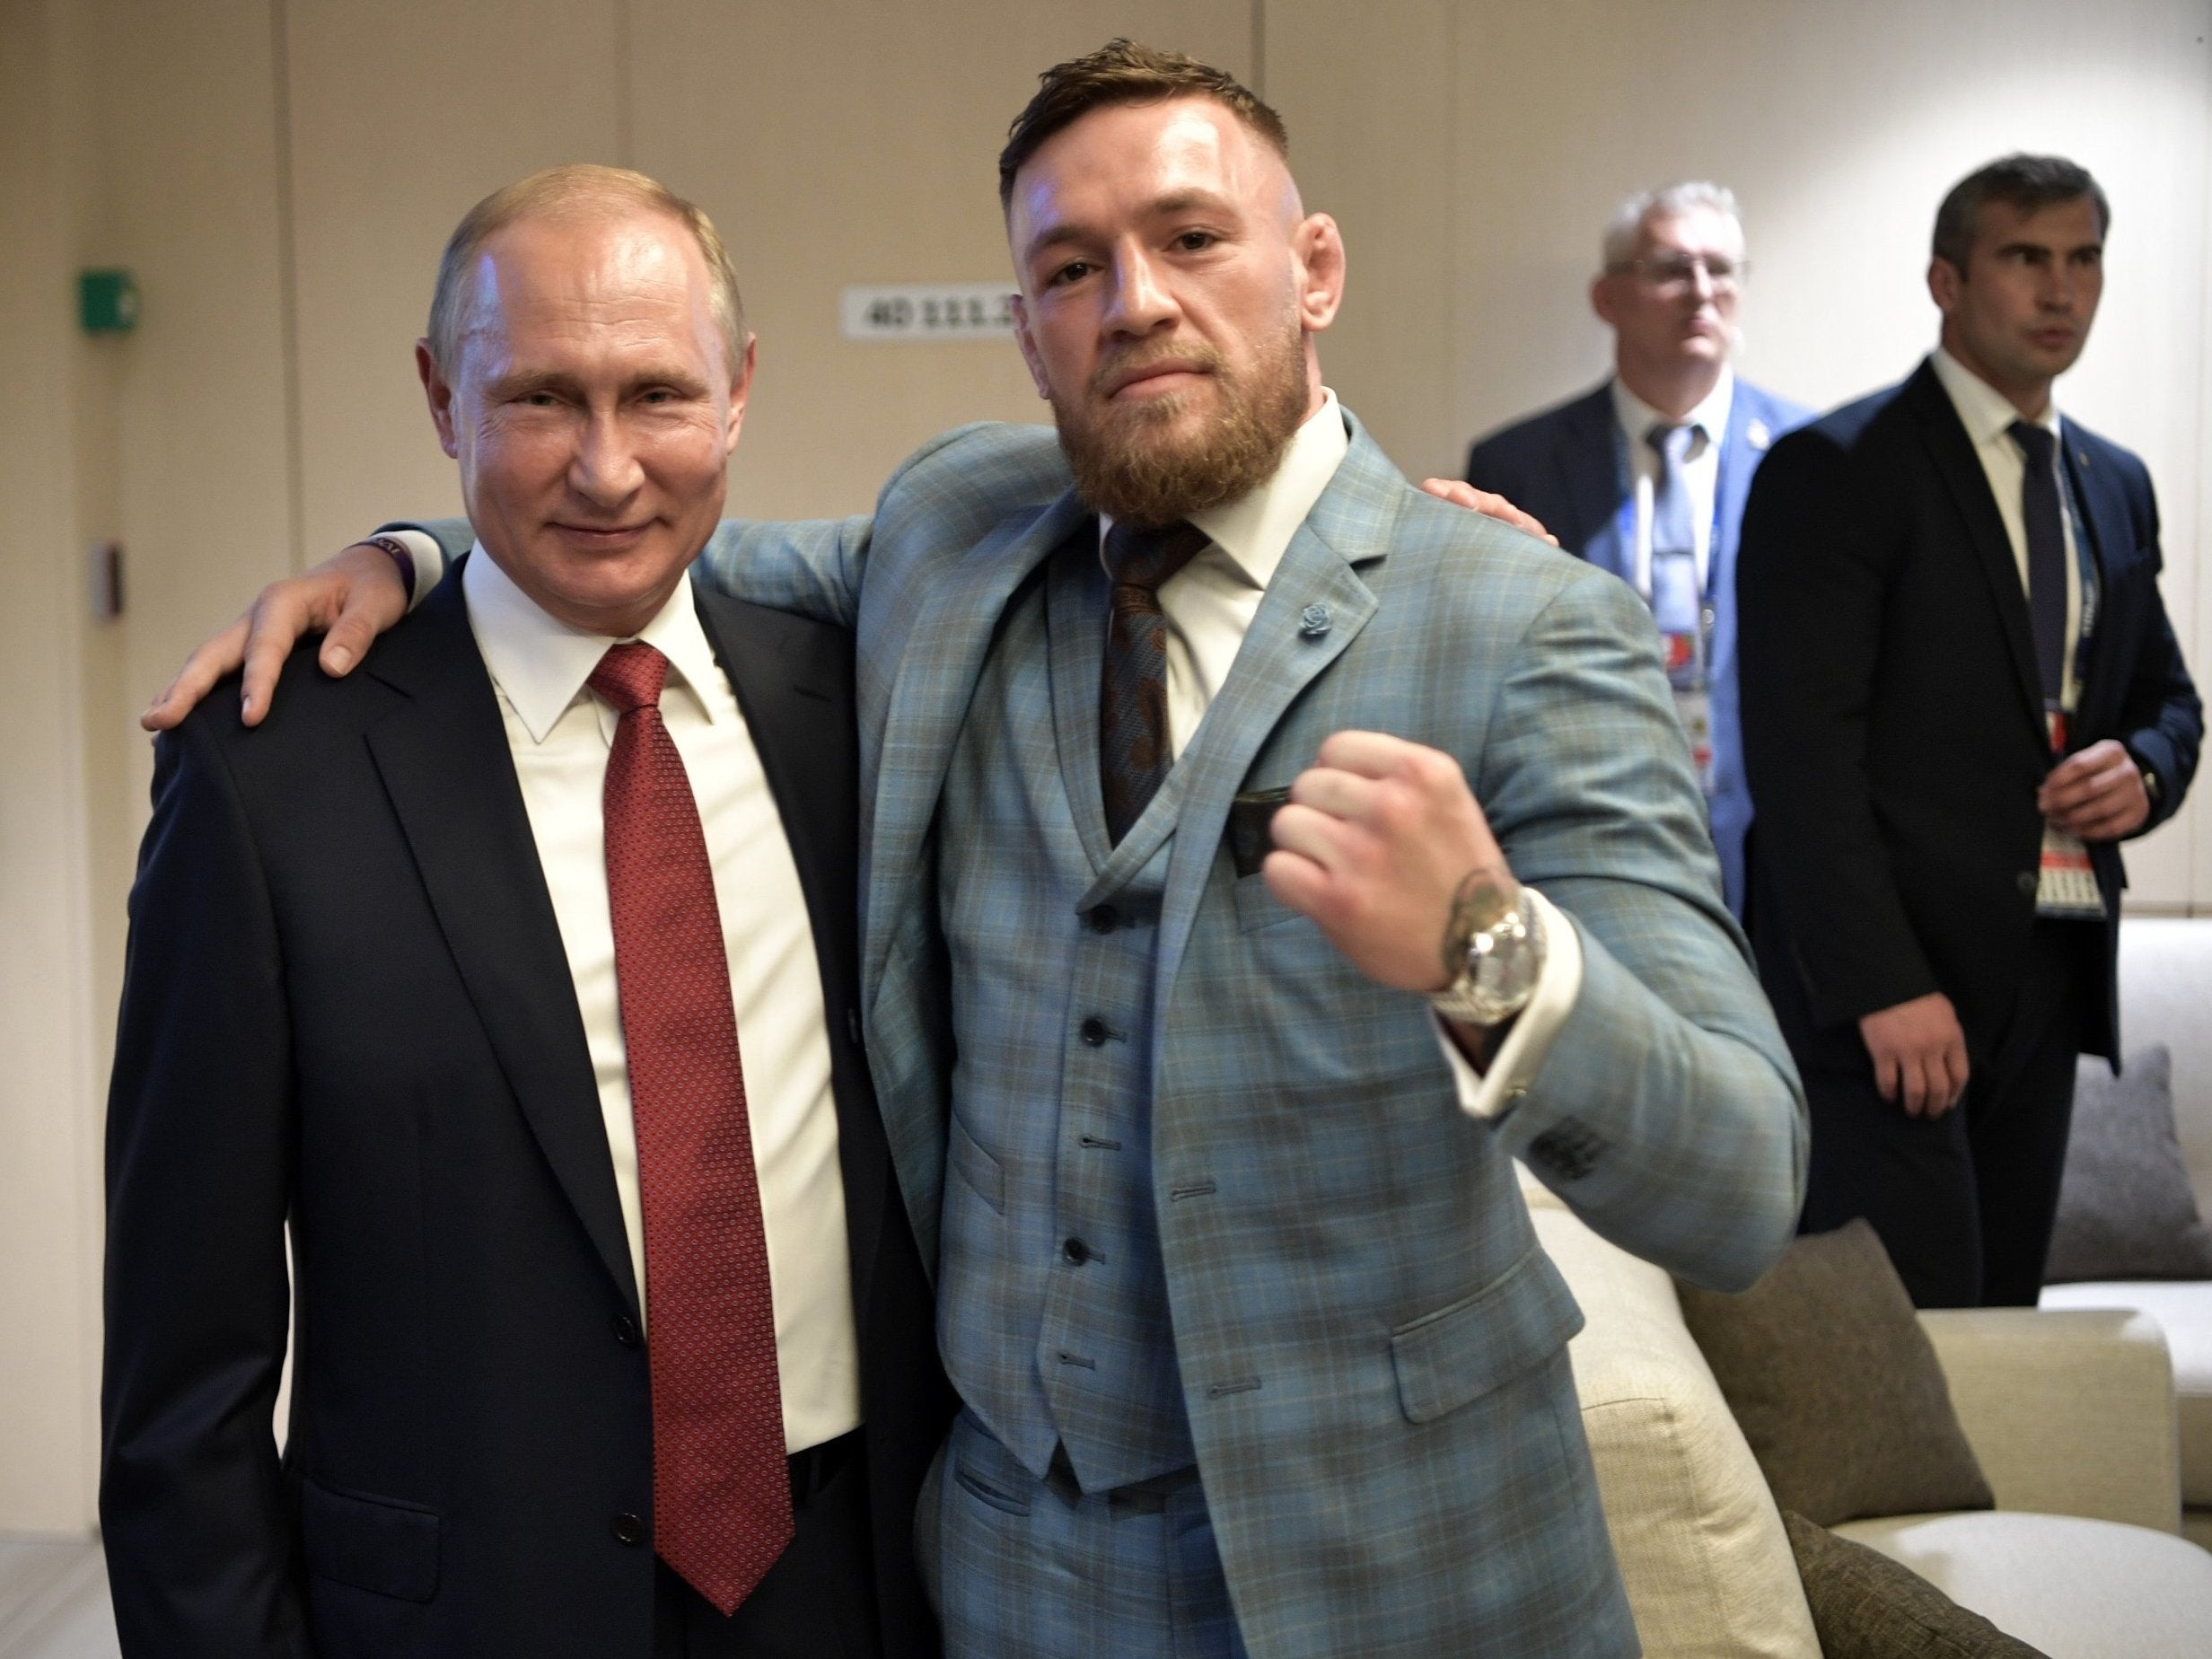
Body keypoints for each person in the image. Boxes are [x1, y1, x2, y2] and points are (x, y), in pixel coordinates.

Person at [150, 43, 1806, 1657]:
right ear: (1024, 329)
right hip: (1009, 1578)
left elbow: (1736, 1178)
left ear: (1311, 270)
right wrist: (410, 555)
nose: (1133, 301)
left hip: (1402, 1570)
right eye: (1069, 267)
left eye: (1189, 238)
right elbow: (627, 534)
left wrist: (1476, 944)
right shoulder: (957, 536)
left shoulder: (1521, 625)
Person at [101, 166, 952, 1658]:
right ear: (443, 400)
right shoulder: (269, 777)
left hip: (852, 1587)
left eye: (658, 395)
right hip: (458, 1613)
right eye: (542, 398)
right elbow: (186, 1373)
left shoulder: (861, 707)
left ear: (739, 392)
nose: (608, 470)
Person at [1738, 154, 2200, 1310]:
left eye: (2082, 259)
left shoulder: (2113, 482)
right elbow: (1802, 761)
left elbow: (2169, 700)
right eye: (2024, 258)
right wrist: (1881, 986)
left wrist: (2143, 770)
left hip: (2044, 970)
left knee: (2006, 1323)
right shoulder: (1836, 469)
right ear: (1946, 280)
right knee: (1910, 1340)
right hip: (1887, 992)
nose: (2060, 292)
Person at [1464, 182, 1808, 917]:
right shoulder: (1518, 466)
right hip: (1585, 839)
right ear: (1607, 298)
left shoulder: (1810, 459)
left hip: (1780, 853)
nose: (1701, 292)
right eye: (1670, 268)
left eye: (1721, 269)